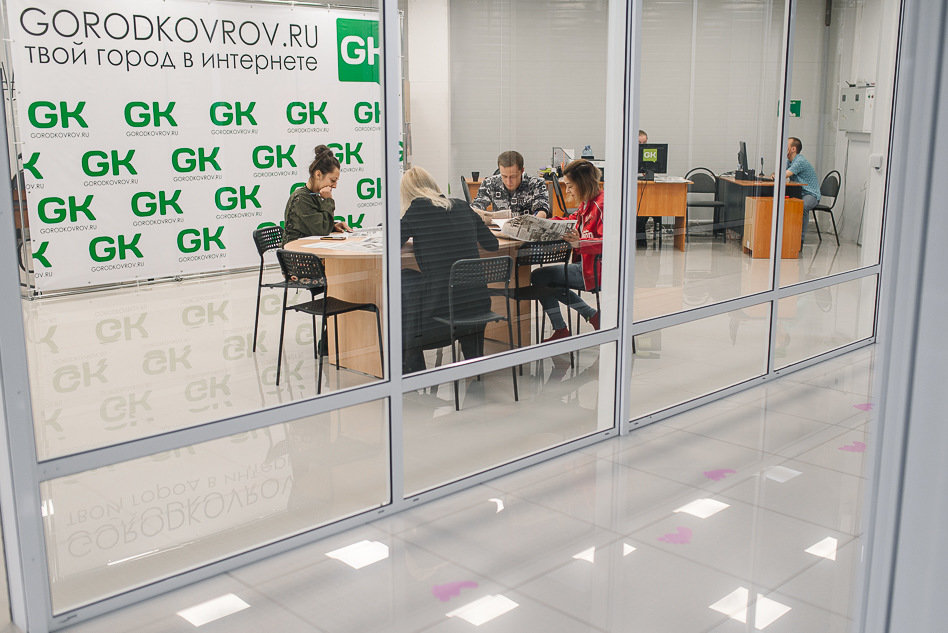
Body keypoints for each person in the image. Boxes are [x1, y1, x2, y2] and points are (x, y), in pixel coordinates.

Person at [400, 166, 499, 373]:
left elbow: (393, 242)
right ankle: (474, 370)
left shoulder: (417, 209)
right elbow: (492, 244)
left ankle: (412, 370)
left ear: (408, 193)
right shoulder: (462, 205)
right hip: (478, 304)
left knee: (404, 279)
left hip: (440, 309)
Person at [530, 159, 603, 342]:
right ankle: (591, 316)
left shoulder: (601, 206)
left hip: (598, 270)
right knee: (546, 280)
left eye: (570, 186)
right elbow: (572, 220)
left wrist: (580, 244)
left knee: (540, 278)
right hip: (586, 266)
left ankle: (563, 328)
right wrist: (542, 223)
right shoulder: (587, 203)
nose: (567, 191)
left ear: (583, 183)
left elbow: (610, 243)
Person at [282, 145, 351, 244]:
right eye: (332, 180)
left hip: (309, 247)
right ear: (318, 174)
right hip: (296, 251)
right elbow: (322, 231)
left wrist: (332, 226)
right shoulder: (301, 198)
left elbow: (313, 226)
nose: (335, 186)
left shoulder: (313, 195)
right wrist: (328, 200)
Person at [471, 150, 551, 219]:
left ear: (522, 170)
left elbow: (542, 209)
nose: (508, 181)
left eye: (513, 176)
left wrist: (537, 218)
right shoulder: (489, 183)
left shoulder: (536, 184)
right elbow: (477, 205)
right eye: (504, 176)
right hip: (499, 229)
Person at [783, 137, 821, 243]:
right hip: (800, 193)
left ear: (793, 149)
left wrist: (777, 174)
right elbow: (780, 173)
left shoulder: (800, 161)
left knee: (802, 206)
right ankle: (787, 235)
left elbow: (784, 174)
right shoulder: (789, 161)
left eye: (786, 145)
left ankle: (800, 240)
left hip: (811, 194)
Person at [636, 130, 652, 248]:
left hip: (645, 192)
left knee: (643, 213)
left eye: (644, 143)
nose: (642, 146)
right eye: (639, 143)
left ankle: (641, 244)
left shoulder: (649, 155)